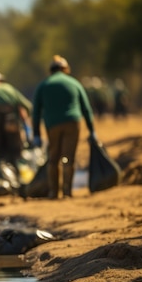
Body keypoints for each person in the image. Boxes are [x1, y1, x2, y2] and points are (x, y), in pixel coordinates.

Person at [31, 55, 96, 199]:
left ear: (51, 70)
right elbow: (86, 108)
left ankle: (54, 192)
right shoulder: (74, 83)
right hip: (73, 122)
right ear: (65, 69)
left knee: (53, 158)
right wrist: (92, 130)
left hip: (52, 125)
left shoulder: (43, 85)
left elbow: (35, 112)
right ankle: (67, 192)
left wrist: (36, 133)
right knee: (68, 158)